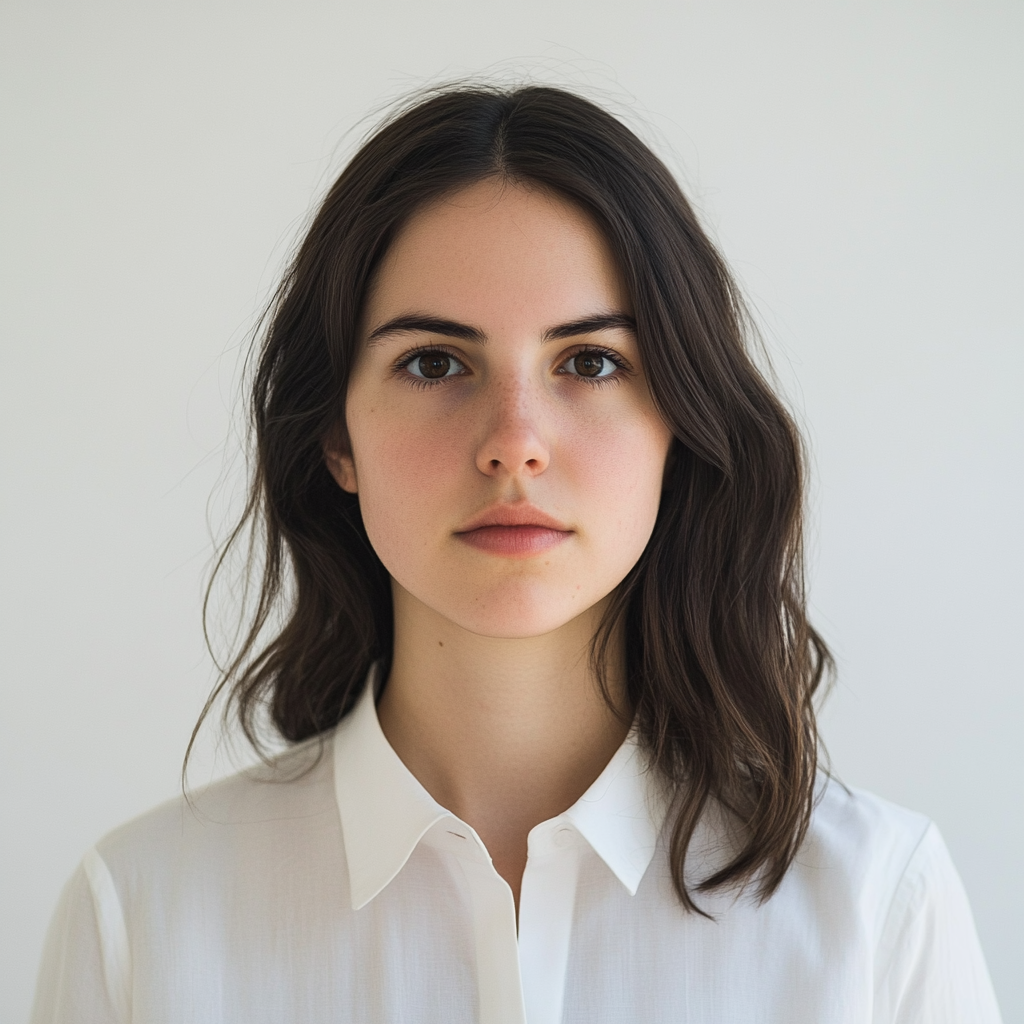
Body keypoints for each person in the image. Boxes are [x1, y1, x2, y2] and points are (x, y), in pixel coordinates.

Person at [31, 84, 1002, 1024]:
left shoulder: (876, 907)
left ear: (680, 421)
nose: (514, 441)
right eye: (435, 362)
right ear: (336, 437)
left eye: (589, 362)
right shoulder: (141, 919)